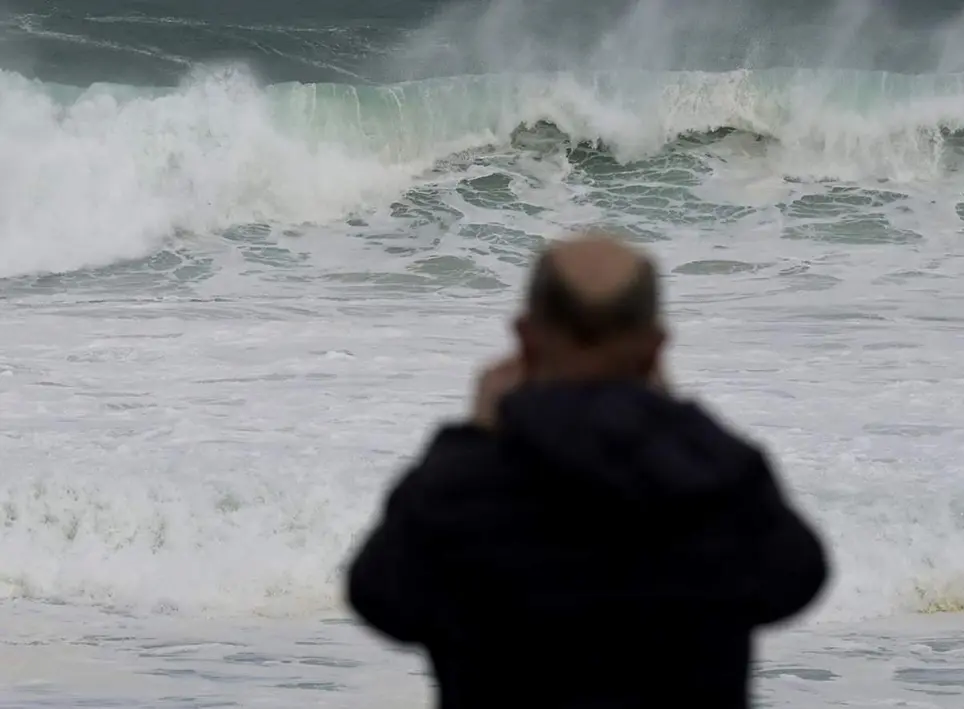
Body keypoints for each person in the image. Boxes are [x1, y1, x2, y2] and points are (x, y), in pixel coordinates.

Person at [344, 230, 829, 709]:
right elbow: (796, 582)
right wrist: (674, 420)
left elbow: (381, 599)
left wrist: (475, 434)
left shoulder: (459, 487)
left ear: (526, 339)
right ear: (655, 346)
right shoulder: (719, 478)